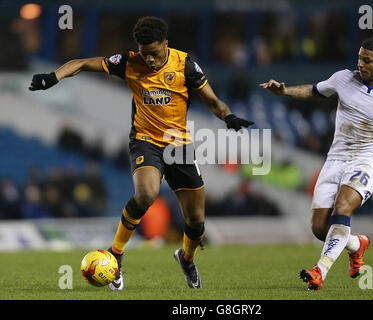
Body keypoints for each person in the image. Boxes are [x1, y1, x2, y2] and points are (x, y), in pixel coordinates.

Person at [29, 16, 253, 290]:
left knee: (196, 222)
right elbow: (80, 63)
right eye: (145, 53)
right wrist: (53, 77)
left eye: (155, 53)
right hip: (145, 141)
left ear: (166, 44)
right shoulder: (128, 62)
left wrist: (228, 117)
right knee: (146, 194)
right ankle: (117, 255)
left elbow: (214, 102)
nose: (149, 60)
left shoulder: (185, 65)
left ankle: (186, 257)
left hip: (179, 145)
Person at [260, 36, 373, 290]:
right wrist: (284, 91)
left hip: (367, 162)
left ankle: (320, 271)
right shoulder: (343, 78)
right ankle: (356, 244)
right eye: (359, 57)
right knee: (320, 228)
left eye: (366, 60)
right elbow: (314, 91)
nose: (360, 63)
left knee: (342, 207)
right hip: (335, 160)